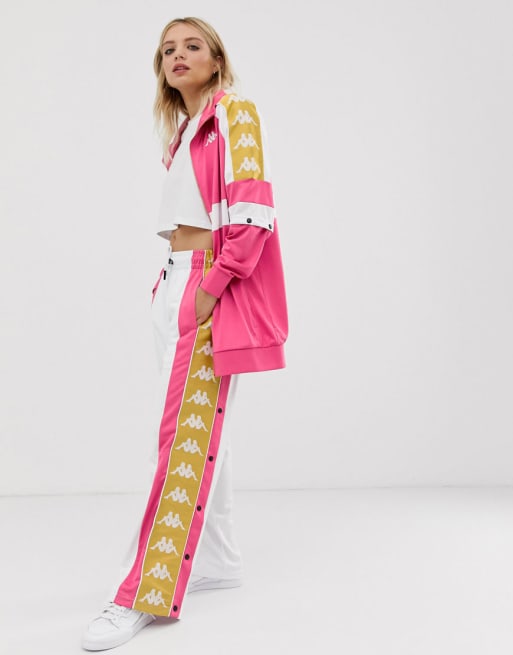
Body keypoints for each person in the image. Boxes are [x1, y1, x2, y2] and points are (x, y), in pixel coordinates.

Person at [81, 16, 288, 651]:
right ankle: (218, 560)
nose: (178, 55)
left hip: (204, 288)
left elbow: (253, 214)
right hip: (175, 282)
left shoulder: (235, 113)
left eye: (192, 45)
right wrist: (172, 288)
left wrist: (209, 287)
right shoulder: (185, 130)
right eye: (168, 48)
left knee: (180, 441)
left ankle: (141, 592)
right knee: (196, 433)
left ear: (216, 58)